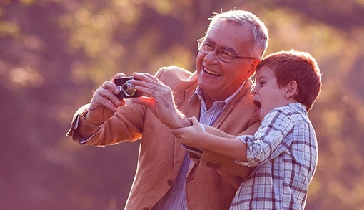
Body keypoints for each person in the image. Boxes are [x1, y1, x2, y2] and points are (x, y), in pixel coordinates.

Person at [67, 9, 269, 210]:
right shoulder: (168, 81)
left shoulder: (260, 112)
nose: (209, 59)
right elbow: (103, 131)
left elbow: (241, 166)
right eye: (207, 45)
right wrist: (94, 116)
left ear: (252, 68)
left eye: (225, 54)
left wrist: (176, 120)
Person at [171, 50, 321, 209]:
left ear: (290, 89)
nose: (253, 90)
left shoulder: (284, 114)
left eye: (262, 83)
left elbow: (254, 150)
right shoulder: (304, 129)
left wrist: (203, 139)